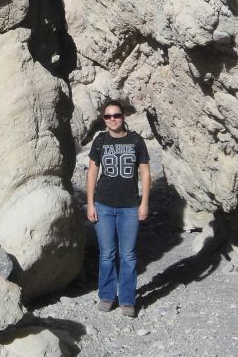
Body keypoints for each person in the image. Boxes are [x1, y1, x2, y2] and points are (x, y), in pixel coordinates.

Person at [86, 100, 151, 317]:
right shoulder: (100, 141)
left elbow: (145, 174)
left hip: (129, 207)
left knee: (128, 255)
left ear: (123, 117)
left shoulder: (136, 141)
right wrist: (90, 203)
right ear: (103, 119)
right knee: (107, 254)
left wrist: (144, 203)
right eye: (108, 116)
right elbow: (92, 174)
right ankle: (106, 296)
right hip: (103, 205)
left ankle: (127, 300)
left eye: (116, 115)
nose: (112, 119)